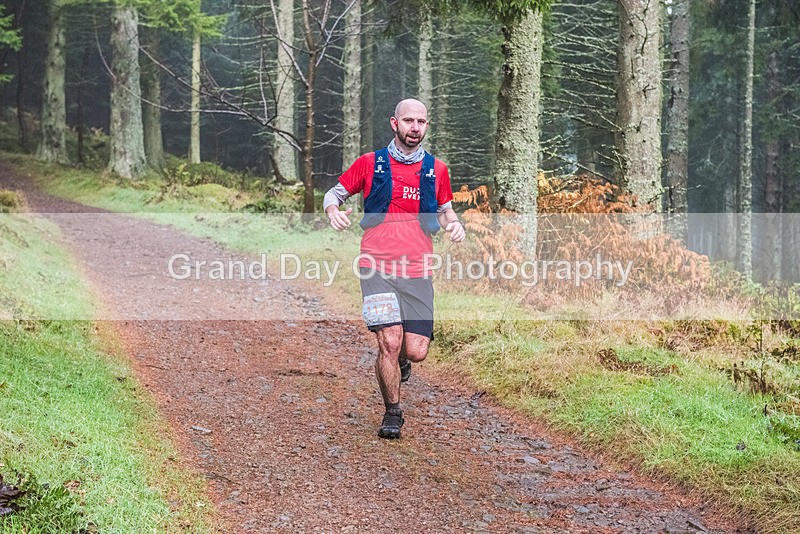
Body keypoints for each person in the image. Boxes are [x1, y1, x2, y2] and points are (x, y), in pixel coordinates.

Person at [324, 98, 466, 439]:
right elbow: (334, 193)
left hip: (417, 269)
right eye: (408, 121)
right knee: (389, 340)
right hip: (376, 266)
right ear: (394, 123)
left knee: (415, 351)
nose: (414, 127)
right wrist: (332, 211)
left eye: (420, 122)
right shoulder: (370, 163)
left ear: (426, 126)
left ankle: (402, 362)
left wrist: (455, 224)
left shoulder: (437, 169)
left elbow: (446, 210)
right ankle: (393, 412)